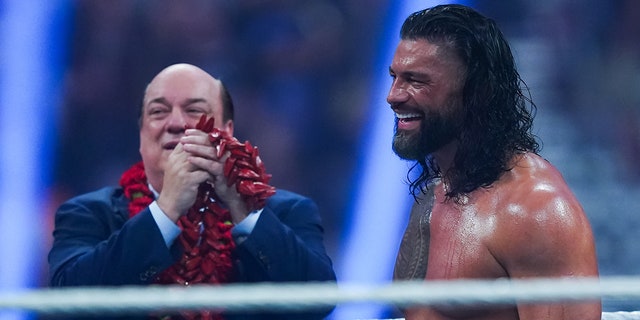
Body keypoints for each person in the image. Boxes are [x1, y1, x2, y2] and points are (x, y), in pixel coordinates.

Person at [48, 63, 336, 320]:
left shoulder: (288, 212)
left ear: (227, 131)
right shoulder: (88, 214)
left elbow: (318, 302)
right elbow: (70, 304)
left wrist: (242, 209)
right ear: (141, 135)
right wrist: (166, 209)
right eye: (158, 112)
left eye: (195, 110)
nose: (175, 123)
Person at [389, 4, 601, 320]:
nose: (393, 95)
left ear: (476, 92)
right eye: (394, 77)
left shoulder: (534, 211)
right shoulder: (433, 194)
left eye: (416, 80)